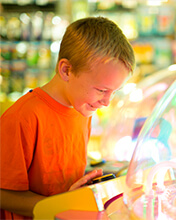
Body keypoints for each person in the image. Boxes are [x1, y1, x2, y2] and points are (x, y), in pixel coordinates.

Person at [0, 16, 135, 219]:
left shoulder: (82, 110)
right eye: (101, 90)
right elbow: (3, 195)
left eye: (114, 92)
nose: (106, 101)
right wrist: (60, 204)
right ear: (66, 70)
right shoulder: (23, 117)